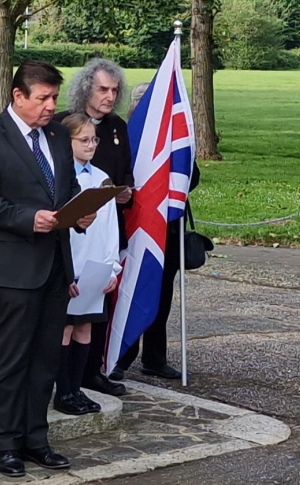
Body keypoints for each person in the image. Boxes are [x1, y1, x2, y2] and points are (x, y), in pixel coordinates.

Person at [0, 61, 96, 478]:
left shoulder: (57, 135)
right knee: (12, 359)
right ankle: (6, 446)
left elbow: (67, 188)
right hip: (12, 267)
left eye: (54, 98)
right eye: (43, 98)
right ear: (18, 96)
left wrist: (79, 212)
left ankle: (36, 439)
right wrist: (28, 218)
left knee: (45, 359)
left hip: (55, 264)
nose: (51, 106)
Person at [110, 85, 200, 382]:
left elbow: (191, 178)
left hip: (168, 231)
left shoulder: (173, 137)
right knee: (131, 291)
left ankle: (155, 357)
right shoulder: (126, 135)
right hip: (135, 229)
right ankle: (121, 355)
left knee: (161, 298)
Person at [53, 58, 132, 398]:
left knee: (90, 321)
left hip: (100, 250)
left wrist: (123, 190)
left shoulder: (116, 131)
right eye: (103, 89)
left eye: (115, 90)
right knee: (64, 326)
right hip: (69, 258)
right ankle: (63, 388)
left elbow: (122, 174)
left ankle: (86, 379)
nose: (110, 96)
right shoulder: (59, 131)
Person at [53, 114, 122, 416]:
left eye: (94, 139)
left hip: (96, 267)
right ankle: (62, 391)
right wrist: (66, 272)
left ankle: (76, 389)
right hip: (72, 268)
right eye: (84, 139)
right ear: (68, 142)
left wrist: (112, 268)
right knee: (65, 330)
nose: (91, 144)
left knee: (85, 329)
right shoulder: (60, 177)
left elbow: (110, 227)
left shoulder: (101, 177)